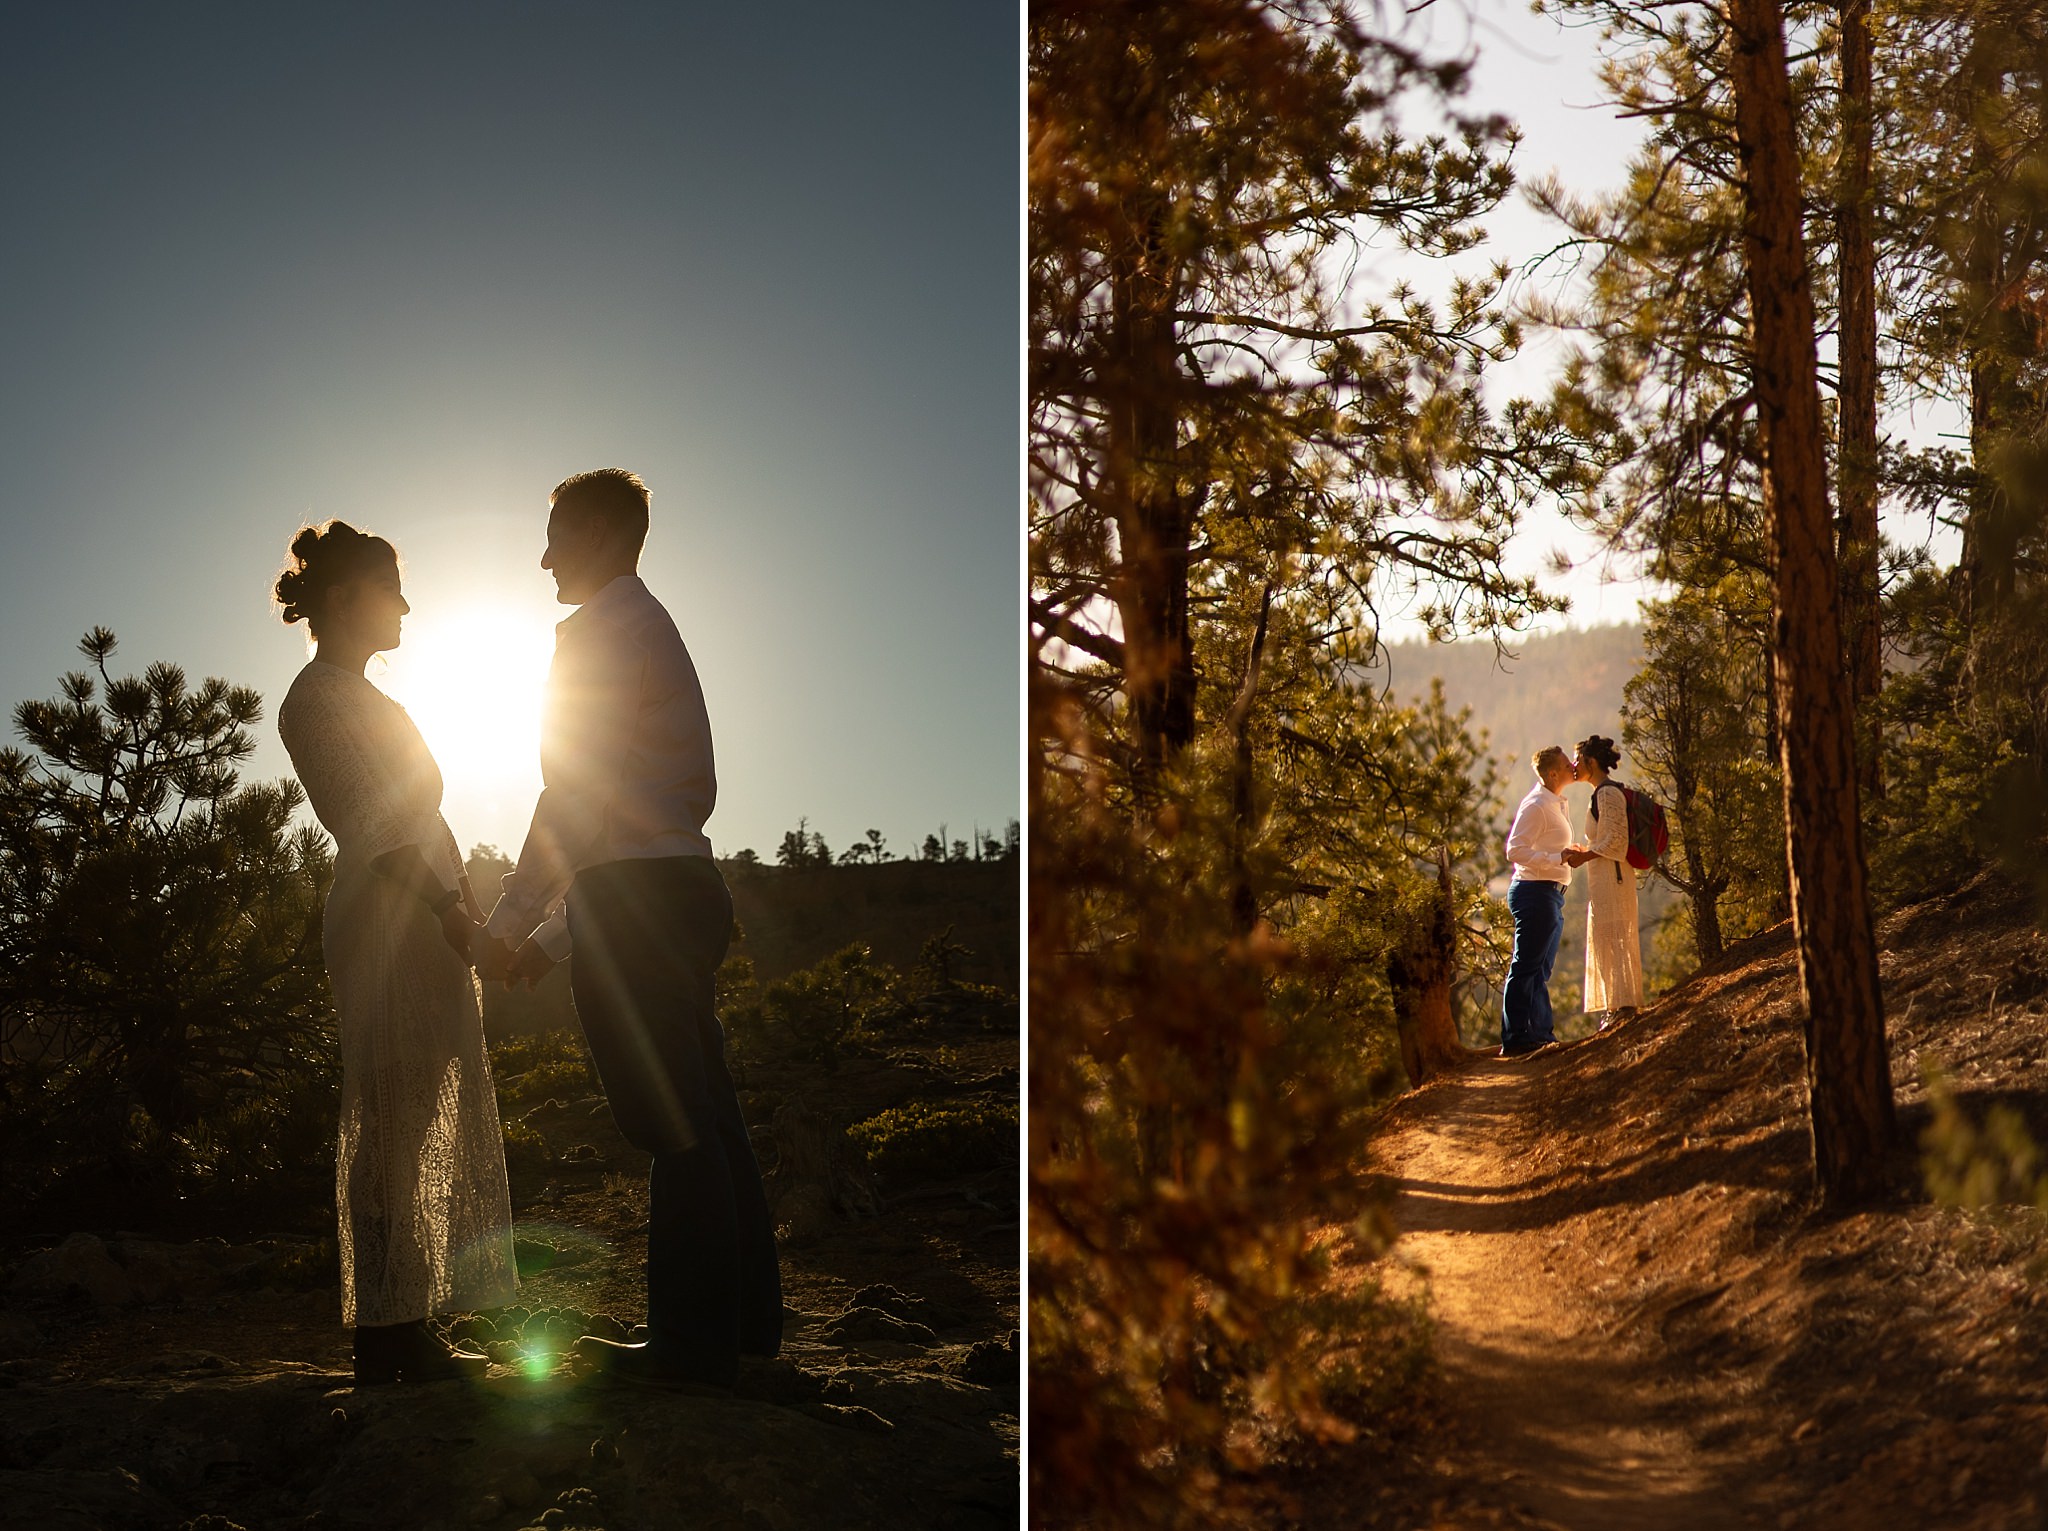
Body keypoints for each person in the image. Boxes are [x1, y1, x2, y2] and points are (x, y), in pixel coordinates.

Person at [472, 468, 782, 1393]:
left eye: (557, 530)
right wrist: (555, 941)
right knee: (709, 1113)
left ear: (602, 530)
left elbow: (577, 793)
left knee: (673, 1123)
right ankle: (743, 1326)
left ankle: (692, 1348)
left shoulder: (606, 630)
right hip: (670, 887)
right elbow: (631, 827)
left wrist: (506, 921)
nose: (544, 553)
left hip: (642, 901)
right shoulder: (647, 623)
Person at [274, 521, 516, 1385]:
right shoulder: (315, 698)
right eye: (391, 586)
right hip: (388, 921)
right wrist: (452, 911)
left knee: (415, 1118)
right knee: (388, 1119)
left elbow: (421, 819)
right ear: (344, 599)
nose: (407, 604)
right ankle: (384, 1331)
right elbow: (371, 826)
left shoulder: (377, 699)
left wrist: (471, 910)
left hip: (427, 915)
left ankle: (406, 1316)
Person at [1501, 745, 1577, 1058]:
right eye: (1565, 763)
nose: (1573, 765)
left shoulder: (1555, 803)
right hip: (1533, 892)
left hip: (1549, 894)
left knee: (1539, 969)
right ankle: (1517, 1038)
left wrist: (1568, 852)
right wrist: (1556, 857)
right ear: (1552, 773)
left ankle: (1541, 1035)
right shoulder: (1536, 805)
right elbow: (1514, 850)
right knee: (1525, 966)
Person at [1565, 734, 1643, 1030]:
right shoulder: (1601, 793)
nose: (1574, 766)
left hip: (1614, 877)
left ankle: (1622, 1005)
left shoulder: (1607, 794)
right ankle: (1616, 1004)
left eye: (1578, 760)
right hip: (1606, 877)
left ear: (1590, 762)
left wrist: (1585, 857)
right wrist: (1583, 851)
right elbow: (1606, 839)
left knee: (1615, 938)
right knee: (1608, 939)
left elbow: (1616, 842)